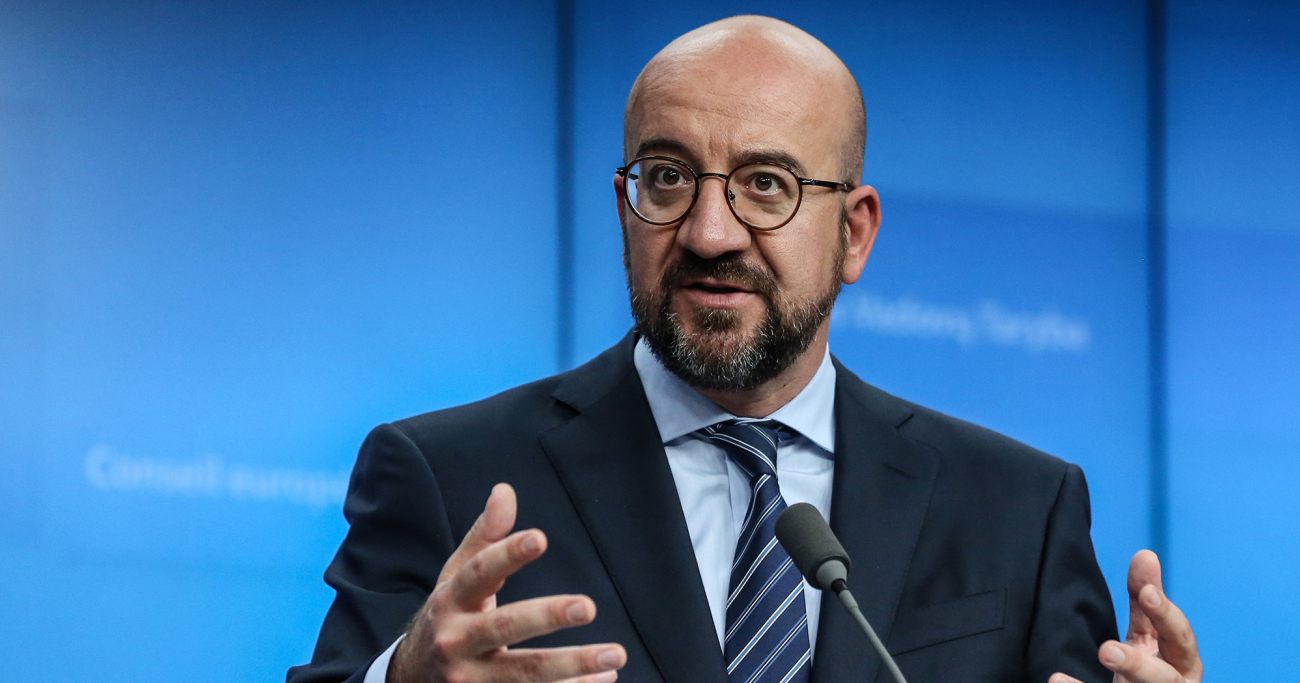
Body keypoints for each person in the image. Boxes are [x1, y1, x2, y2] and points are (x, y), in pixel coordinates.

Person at [288, 16, 1203, 683]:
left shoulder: (1018, 508)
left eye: (766, 184)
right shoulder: (450, 476)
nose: (710, 231)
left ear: (853, 232)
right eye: (667, 177)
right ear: (623, 209)